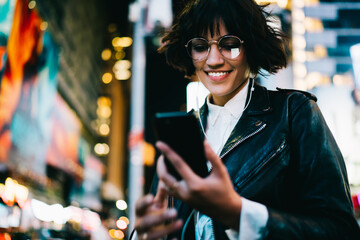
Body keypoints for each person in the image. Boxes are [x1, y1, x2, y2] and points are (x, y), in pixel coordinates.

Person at [134, 0, 360, 239]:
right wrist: (144, 234)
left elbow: (341, 230)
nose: (213, 60)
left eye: (229, 44)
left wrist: (240, 214)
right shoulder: (180, 133)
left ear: (251, 47)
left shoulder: (294, 112)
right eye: (200, 46)